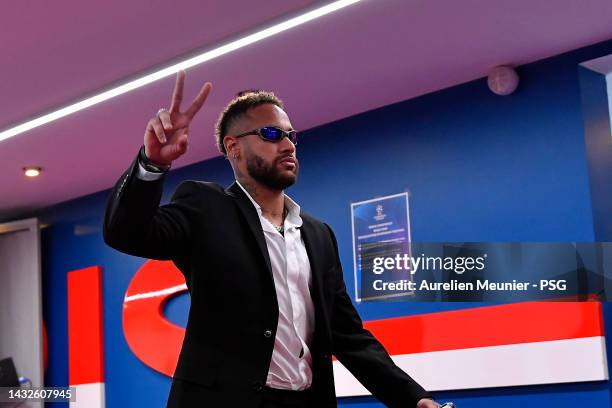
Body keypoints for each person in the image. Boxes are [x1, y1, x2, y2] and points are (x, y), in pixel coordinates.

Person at [103, 71, 441, 408]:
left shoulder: (319, 235)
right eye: (271, 134)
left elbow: (348, 335)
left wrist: (413, 399)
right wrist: (152, 164)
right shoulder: (207, 206)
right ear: (233, 147)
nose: (288, 144)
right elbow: (125, 233)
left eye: (291, 135)